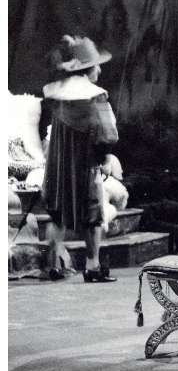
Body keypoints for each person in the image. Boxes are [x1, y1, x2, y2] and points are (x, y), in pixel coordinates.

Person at [42, 35, 119, 282]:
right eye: (96, 66)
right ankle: (93, 266)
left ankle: (54, 265)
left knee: (58, 214)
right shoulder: (96, 96)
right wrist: (105, 158)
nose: (99, 70)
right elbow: (106, 133)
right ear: (87, 69)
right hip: (85, 163)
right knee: (93, 216)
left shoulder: (57, 95)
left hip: (59, 164)